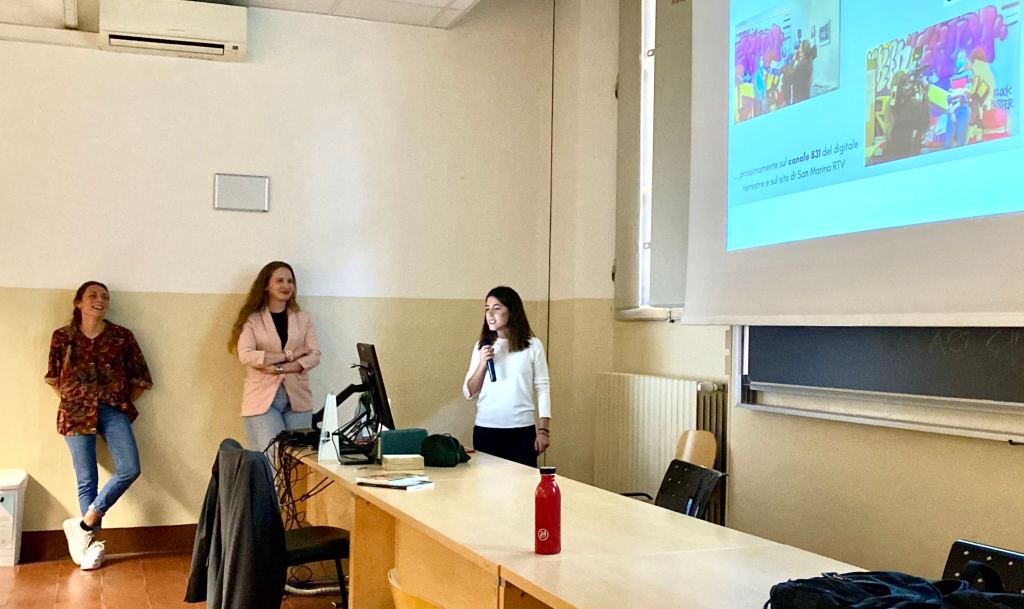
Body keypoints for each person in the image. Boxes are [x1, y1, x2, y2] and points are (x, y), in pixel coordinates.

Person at [45, 281, 152, 570]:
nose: (100, 300)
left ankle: (83, 525)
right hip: (75, 413)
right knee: (86, 479)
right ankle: (91, 545)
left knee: (130, 468)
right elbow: (53, 377)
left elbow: (141, 378)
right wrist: (74, 401)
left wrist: (120, 403)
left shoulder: (121, 337)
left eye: (105, 296)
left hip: (113, 410)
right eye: (93, 295)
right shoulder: (63, 337)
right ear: (78, 302)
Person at [228, 261, 321, 455]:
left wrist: (281, 368)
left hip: (298, 399)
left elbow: (314, 355)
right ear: (266, 285)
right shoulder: (253, 318)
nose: (286, 286)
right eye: (279, 281)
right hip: (262, 400)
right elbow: (246, 354)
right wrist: (289, 355)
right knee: (273, 458)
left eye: (290, 281)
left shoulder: (302, 317)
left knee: (299, 460)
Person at [463, 286, 551, 468]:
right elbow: (469, 392)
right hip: (486, 429)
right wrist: (482, 364)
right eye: (487, 309)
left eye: (497, 308)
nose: (490, 314)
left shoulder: (533, 346)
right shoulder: (482, 346)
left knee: (522, 483)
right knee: (487, 483)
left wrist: (544, 430)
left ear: (512, 311)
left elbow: (543, 388)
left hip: (521, 430)